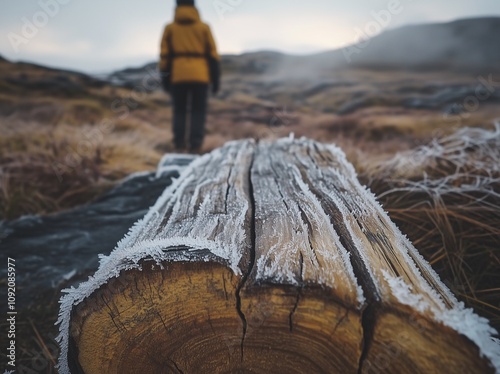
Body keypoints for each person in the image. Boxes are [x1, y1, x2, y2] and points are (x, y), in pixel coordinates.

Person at [159, 0, 220, 154]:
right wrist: (216, 79)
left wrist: (165, 78)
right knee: (198, 112)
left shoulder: (170, 28)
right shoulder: (204, 28)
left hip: (178, 77)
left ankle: (179, 146)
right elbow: (213, 55)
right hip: (201, 77)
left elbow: (165, 55)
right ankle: (195, 146)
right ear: (194, 7)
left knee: (179, 111)